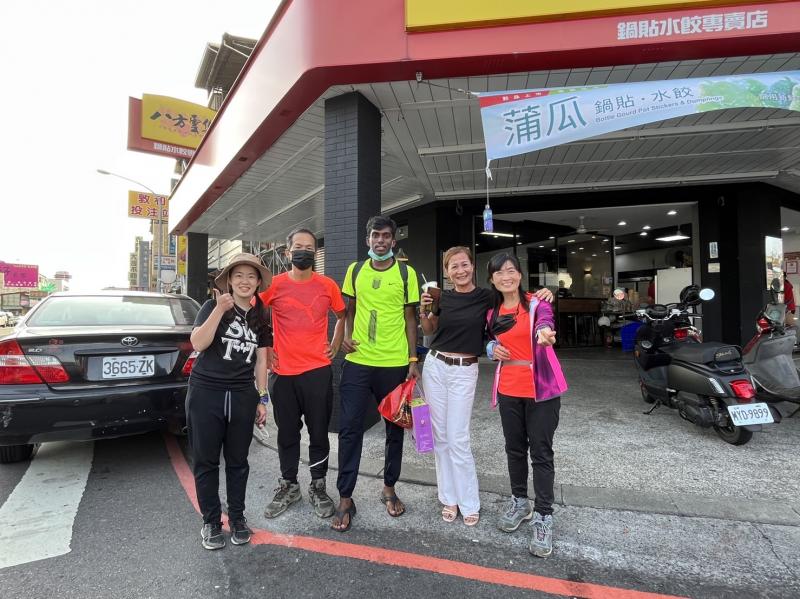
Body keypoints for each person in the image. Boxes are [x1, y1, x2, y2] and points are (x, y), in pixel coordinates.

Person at [419, 247, 552, 527]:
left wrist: (543, 293)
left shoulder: (487, 296)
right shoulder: (442, 297)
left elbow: (513, 296)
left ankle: (469, 502)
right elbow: (430, 331)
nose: (460, 270)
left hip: (464, 370)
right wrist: (424, 310)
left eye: (464, 264)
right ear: (446, 272)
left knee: (458, 438)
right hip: (435, 366)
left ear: (473, 267)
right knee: (440, 436)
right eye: (453, 266)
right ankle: (448, 498)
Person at [331, 215, 420, 532]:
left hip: (394, 363)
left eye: (385, 236)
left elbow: (411, 318)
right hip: (358, 362)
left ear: (393, 241)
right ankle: (345, 497)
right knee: (349, 429)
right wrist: (344, 336)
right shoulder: (355, 271)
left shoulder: (406, 274)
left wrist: (412, 359)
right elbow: (349, 309)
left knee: (394, 430)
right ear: (367, 239)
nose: (380, 240)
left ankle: (389, 488)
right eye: (374, 235)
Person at [258, 228, 346, 520]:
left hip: (317, 371)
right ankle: (289, 484)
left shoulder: (327, 285)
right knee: (287, 433)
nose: (303, 252)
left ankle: (318, 485)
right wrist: (267, 349)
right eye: (298, 247)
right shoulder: (274, 285)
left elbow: (342, 315)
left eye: (309, 248)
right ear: (287, 253)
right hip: (282, 373)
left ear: (315, 253)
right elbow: (256, 316)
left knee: (319, 432)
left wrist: (336, 344)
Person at [187, 253, 272, 550]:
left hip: (241, 395)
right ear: (229, 281)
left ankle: (237, 517)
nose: (244, 281)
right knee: (206, 461)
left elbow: (262, 361)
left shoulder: (261, 316)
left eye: (251, 276)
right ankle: (211, 521)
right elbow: (198, 343)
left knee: (238, 462)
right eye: (238, 276)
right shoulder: (212, 306)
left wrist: (262, 398)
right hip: (206, 393)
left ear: (258, 282)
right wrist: (219, 310)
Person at [486, 252, 563, 558]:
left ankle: (544, 515)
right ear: (492, 279)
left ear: (519, 274)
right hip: (508, 389)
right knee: (514, 449)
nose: (506, 277)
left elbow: (545, 321)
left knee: (541, 453)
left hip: (541, 389)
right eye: (499, 273)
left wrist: (545, 333)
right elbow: (486, 338)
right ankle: (520, 502)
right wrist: (491, 347)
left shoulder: (536, 303)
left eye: (511, 271)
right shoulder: (491, 312)